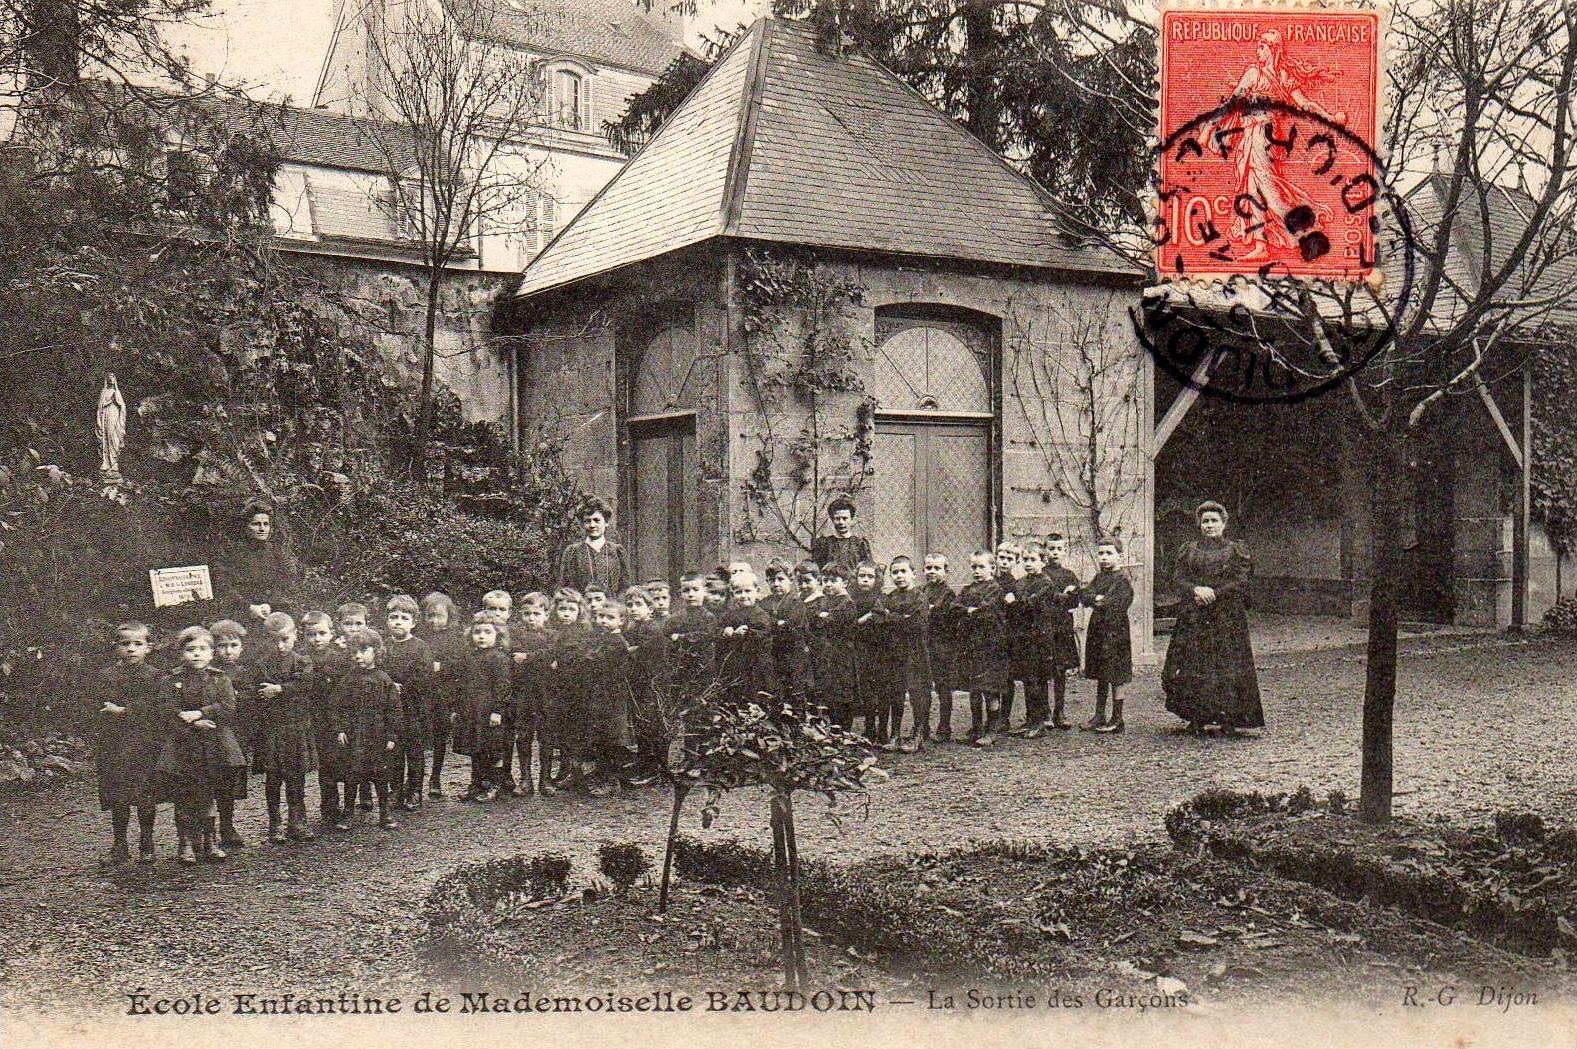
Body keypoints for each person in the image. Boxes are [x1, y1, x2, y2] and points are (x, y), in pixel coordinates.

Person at [1162, 501, 1265, 737]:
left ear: (1224, 524)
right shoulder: (1189, 550)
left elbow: (1241, 581)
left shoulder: (1235, 550)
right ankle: (1197, 717)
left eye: (1214, 521)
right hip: (1195, 615)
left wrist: (1215, 594)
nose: (1209, 525)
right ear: (1199, 524)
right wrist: (1196, 590)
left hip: (1226, 616)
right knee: (1195, 664)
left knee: (1226, 664)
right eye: (1205, 521)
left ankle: (1229, 718)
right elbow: (1177, 578)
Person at [156, 626, 238, 864]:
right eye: (190, 650)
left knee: (208, 793)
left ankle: (210, 841)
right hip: (183, 745)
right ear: (181, 653)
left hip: (213, 744)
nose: (197, 654)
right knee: (184, 794)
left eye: (203, 649)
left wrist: (201, 714)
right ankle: (185, 843)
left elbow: (228, 707)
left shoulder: (219, 678)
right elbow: (166, 711)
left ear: (212, 653)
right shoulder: (172, 681)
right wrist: (191, 724)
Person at [93, 623, 166, 864]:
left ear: (149, 648)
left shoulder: (155, 676)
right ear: (116, 647)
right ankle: (120, 844)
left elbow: (158, 708)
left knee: (146, 794)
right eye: (125, 644)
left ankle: (147, 842)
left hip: (145, 743)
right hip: (114, 744)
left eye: (138, 644)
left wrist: (124, 710)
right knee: (118, 796)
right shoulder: (106, 676)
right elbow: (99, 706)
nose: (131, 649)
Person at [252, 612, 317, 843]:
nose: (280, 646)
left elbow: (305, 684)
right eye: (274, 640)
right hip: (272, 729)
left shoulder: (303, 661)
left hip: (296, 727)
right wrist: (280, 691)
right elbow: (260, 691)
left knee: (296, 777)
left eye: (285, 639)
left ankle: (297, 821)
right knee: (273, 778)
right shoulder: (262, 664)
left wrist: (279, 690)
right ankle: (275, 823)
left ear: (295, 636)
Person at [328, 629, 402, 830]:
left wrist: (391, 736)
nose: (358, 656)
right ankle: (348, 814)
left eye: (363, 650)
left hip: (377, 736)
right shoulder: (349, 679)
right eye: (354, 652)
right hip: (355, 737)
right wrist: (339, 729)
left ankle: (385, 814)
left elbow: (394, 710)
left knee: (380, 776)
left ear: (376, 651)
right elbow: (336, 706)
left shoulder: (384, 680)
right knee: (353, 776)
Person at [451, 613, 512, 803]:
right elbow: (461, 685)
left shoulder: (499, 658)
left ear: (498, 635)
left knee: (491, 749)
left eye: (487, 632)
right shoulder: (469, 657)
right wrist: (457, 709)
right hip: (472, 711)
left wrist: (498, 711)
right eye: (477, 632)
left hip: (489, 712)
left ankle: (494, 784)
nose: (482, 636)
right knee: (475, 749)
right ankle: (475, 784)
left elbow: (503, 686)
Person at [382, 595, 433, 811]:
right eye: (394, 617)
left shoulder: (420, 647)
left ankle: (415, 789)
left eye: (404, 617)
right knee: (393, 750)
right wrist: (388, 685)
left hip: (413, 707)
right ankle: (396, 789)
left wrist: (405, 686)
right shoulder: (384, 647)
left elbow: (425, 676)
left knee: (414, 750)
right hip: (390, 709)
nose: (398, 622)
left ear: (413, 622)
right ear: (387, 621)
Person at [1079, 537, 1135, 735]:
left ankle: (1117, 718)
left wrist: (1098, 600)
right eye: (1101, 553)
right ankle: (1099, 715)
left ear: (1120, 556)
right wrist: (1095, 598)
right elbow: (1085, 595)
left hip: (1115, 631)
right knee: (1102, 672)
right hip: (1099, 629)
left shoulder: (1122, 579)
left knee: (1116, 674)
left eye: (1108, 553)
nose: (1103, 558)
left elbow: (1112, 603)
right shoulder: (1099, 577)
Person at [207, 620, 254, 850]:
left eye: (233, 645)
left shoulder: (244, 672)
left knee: (229, 780)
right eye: (222, 646)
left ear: (242, 647)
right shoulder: (207, 671)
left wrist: (236, 696)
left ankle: (227, 824)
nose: (228, 651)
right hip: (210, 730)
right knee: (206, 779)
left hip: (235, 731)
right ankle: (207, 830)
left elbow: (251, 698)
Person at [214, 500, 299, 626]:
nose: (262, 528)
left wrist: (271, 604)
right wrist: (249, 607)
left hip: (275, 610)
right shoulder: (232, 553)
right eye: (256, 524)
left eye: (266, 524)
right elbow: (224, 585)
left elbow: (288, 581)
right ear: (245, 527)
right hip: (242, 613)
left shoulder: (277, 552)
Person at [302, 610, 350, 830]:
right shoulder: (301, 660)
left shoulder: (339, 659)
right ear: (304, 636)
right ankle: (300, 814)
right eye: (311, 634)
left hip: (332, 718)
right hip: (309, 718)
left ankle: (333, 808)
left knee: (332, 764)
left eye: (322, 633)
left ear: (331, 633)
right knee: (313, 764)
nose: (317, 639)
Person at [957, 551, 1008, 747]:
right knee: (974, 688)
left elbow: (987, 610)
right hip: (973, 646)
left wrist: (973, 611)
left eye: (981, 567)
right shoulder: (967, 589)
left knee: (991, 689)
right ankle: (976, 727)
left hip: (992, 645)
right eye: (974, 567)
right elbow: (956, 607)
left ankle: (992, 729)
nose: (977, 571)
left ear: (992, 569)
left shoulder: (996, 589)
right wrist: (970, 610)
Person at [508, 593, 555, 796]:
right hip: (523, 693)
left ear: (546, 614)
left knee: (546, 736)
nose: (531, 618)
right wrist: (539, 659)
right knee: (524, 735)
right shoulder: (516, 635)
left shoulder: (553, 635)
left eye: (536, 613)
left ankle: (545, 779)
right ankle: (525, 779)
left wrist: (528, 657)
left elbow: (551, 654)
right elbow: (514, 656)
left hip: (546, 693)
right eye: (527, 614)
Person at [419, 592, 464, 799]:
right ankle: (414, 781)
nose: (434, 621)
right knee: (418, 737)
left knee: (440, 736)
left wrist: (441, 666)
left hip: (443, 694)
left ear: (449, 616)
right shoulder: (420, 637)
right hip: (421, 693)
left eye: (439, 616)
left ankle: (435, 778)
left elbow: (460, 665)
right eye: (430, 616)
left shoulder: (455, 638)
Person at [884, 556, 931, 753]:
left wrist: (893, 617)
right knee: (896, 692)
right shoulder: (889, 597)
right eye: (895, 572)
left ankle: (918, 733)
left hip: (915, 651)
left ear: (913, 573)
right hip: (895, 652)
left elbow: (916, 623)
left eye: (903, 571)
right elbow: (881, 618)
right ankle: (894, 733)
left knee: (917, 692)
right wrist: (899, 618)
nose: (899, 576)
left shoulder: (920, 597)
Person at [1038, 534, 1083, 731]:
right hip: (1043, 625)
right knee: (1043, 670)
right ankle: (1045, 711)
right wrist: (1062, 596)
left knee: (1060, 670)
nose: (1054, 553)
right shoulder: (1040, 574)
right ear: (1045, 551)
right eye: (1051, 548)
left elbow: (1074, 603)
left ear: (1064, 551)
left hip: (1062, 627)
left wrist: (1072, 593)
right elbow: (1043, 599)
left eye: (1059, 549)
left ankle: (1060, 710)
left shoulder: (1069, 575)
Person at [849, 560, 894, 746]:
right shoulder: (852, 599)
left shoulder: (883, 598)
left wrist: (877, 616)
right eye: (862, 576)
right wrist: (864, 619)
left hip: (881, 650)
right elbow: (849, 624)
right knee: (866, 690)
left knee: (883, 690)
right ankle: (869, 727)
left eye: (870, 576)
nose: (865, 580)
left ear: (877, 579)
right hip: (861, 648)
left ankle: (883, 729)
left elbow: (886, 619)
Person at [717, 572, 777, 709]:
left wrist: (745, 633)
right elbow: (718, 630)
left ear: (757, 591)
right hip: (736, 664)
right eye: (739, 592)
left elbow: (761, 634)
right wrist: (725, 632)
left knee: (757, 696)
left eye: (748, 591)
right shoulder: (729, 614)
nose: (744, 596)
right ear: (732, 595)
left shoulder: (761, 614)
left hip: (757, 665)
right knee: (736, 695)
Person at [921, 555, 962, 743]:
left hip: (942, 645)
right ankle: (923, 726)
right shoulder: (921, 591)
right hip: (925, 644)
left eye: (936, 568)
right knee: (923, 687)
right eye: (928, 568)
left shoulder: (948, 594)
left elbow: (945, 618)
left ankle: (944, 726)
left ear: (946, 571)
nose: (931, 572)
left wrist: (931, 610)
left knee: (943, 687)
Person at [760, 559, 809, 710]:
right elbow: (763, 624)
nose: (775, 584)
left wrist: (775, 624)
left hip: (793, 656)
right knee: (775, 693)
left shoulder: (796, 602)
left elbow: (791, 628)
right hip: (773, 656)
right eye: (771, 580)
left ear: (790, 580)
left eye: (780, 579)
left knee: (795, 694)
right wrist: (778, 623)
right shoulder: (765, 602)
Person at [557, 497, 631, 595]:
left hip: (612, 608)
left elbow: (625, 587)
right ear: (582, 524)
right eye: (587, 521)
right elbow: (566, 588)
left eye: (597, 520)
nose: (592, 525)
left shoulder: (617, 551)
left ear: (606, 522)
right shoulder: (573, 552)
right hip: (583, 608)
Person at [814, 565, 859, 727]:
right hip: (828, 653)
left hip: (843, 654)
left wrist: (826, 617)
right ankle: (835, 728)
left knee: (843, 693)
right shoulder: (826, 600)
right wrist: (823, 617)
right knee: (830, 693)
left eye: (833, 581)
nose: (828, 584)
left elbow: (832, 620)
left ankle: (845, 730)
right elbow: (816, 620)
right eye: (825, 581)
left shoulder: (847, 602)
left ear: (845, 582)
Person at [810, 497, 873, 575]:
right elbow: (816, 571)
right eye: (837, 518)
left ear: (851, 520)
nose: (841, 522)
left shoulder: (861, 544)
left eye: (845, 518)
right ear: (832, 520)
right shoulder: (824, 544)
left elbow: (868, 570)